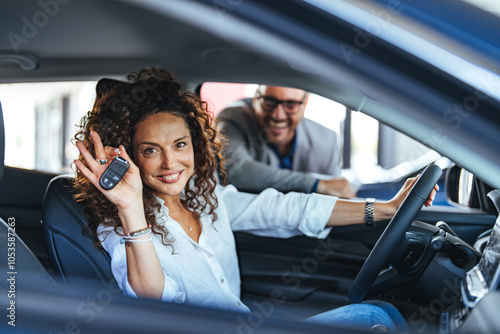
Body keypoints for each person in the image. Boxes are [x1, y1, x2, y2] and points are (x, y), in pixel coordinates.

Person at [73, 68, 437, 332]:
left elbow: (282, 209)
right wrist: (130, 205)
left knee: (380, 315)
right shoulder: (118, 223)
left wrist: (384, 209)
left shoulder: (204, 197)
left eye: (180, 145)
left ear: (196, 145)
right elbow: (153, 297)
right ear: (130, 156)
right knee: (374, 318)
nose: (171, 163)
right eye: (151, 150)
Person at [217, 85, 356, 198]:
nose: (278, 115)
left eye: (290, 104)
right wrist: (315, 184)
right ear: (256, 98)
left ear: (304, 103)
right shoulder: (234, 119)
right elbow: (235, 170)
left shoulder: (326, 140)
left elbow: (335, 196)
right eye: (269, 101)